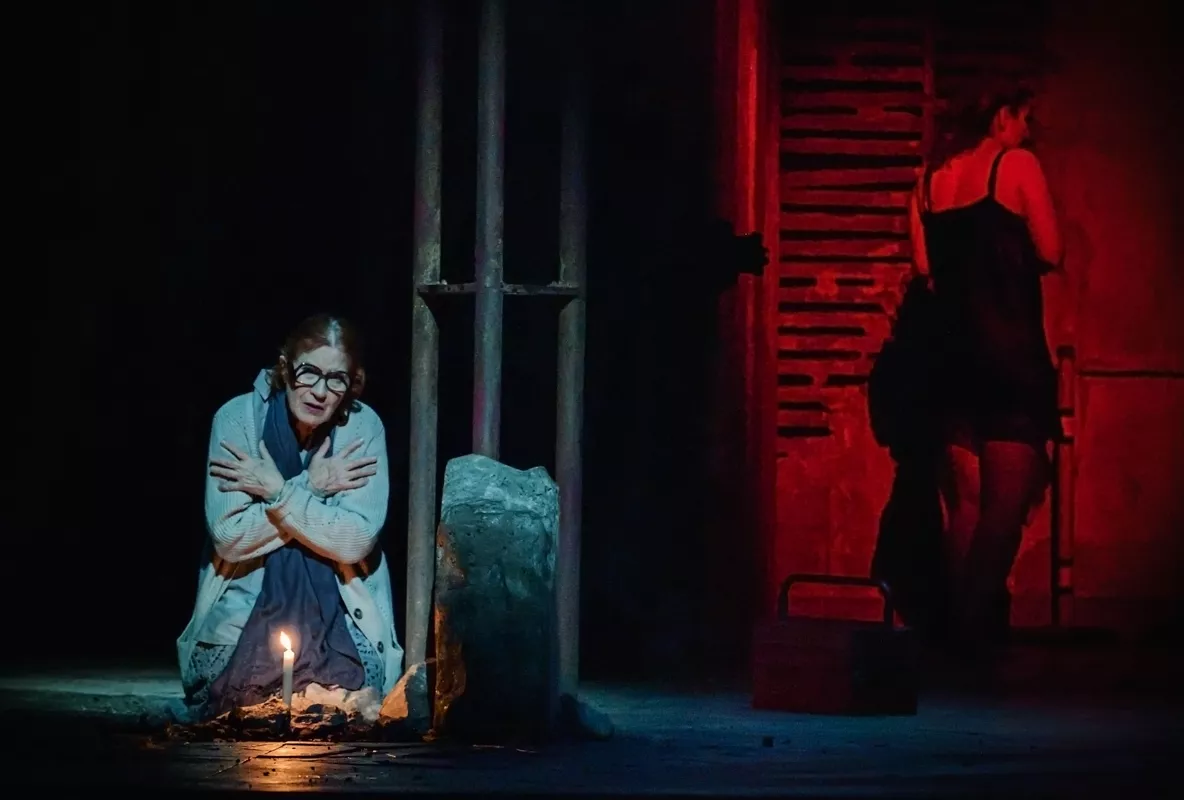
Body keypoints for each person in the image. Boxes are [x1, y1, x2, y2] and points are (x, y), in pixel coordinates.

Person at [177, 313, 403, 718]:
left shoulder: (362, 427)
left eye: (336, 379)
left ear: (352, 383)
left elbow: (355, 541)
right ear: (285, 368)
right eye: (309, 372)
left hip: (343, 624)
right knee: (244, 705)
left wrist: (279, 492)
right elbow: (230, 537)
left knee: (353, 703)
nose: (320, 391)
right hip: (239, 621)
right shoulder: (237, 420)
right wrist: (310, 487)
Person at [907, 83, 1064, 657]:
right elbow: (1051, 250)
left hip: (951, 360)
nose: (1028, 133)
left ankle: (955, 643)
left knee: (965, 510)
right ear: (1001, 116)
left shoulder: (926, 182)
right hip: (1008, 356)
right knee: (1005, 508)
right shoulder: (1016, 165)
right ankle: (964, 641)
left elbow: (924, 268)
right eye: (1024, 119)